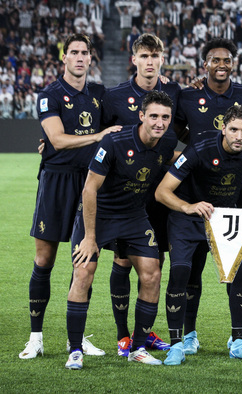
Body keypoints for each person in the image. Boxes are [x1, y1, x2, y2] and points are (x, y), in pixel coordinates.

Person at [155, 105, 242, 365]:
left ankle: (238, 341)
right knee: (183, 271)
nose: (238, 136)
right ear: (223, 129)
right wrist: (189, 207)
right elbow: (162, 191)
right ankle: (180, 342)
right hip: (188, 214)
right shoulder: (199, 149)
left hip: (227, 216)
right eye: (233, 129)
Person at [20, 33, 120, 360]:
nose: (79, 58)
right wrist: (98, 136)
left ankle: (74, 338)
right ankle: (36, 336)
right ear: (64, 58)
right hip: (55, 181)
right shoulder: (49, 95)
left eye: (84, 53)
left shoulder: (100, 94)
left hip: (89, 183)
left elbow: (129, 117)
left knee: (84, 265)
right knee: (44, 260)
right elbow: (58, 140)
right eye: (73, 52)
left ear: (91, 59)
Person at [65, 91, 178, 370]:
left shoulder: (167, 144)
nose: (159, 122)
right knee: (83, 272)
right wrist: (90, 238)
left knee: (152, 273)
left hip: (133, 217)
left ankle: (138, 346)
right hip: (99, 215)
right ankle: (75, 349)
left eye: (165, 117)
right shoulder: (114, 141)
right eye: (153, 116)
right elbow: (89, 189)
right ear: (141, 116)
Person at [172, 38, 242, 357]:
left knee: (239, 267)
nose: (221, 64)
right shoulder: (188, 95)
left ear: (234, 62)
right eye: (215, 59)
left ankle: (239, 339)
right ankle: (188, 336)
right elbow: (175, 134)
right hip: (195, 194)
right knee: (192, 268)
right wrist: (190, 157)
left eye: (227, 59)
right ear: (205, 64)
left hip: (232, 193)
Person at [102, 32, 181, 357]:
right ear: (134, 59)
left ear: (162, 59)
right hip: (127, 195)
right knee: (123, 260)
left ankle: (143, 334)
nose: (150, 62)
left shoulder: (176, 93)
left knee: (154, 263)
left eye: (155, 56)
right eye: (144, 56)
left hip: (161, 189)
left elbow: (188, 131)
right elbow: (99, 136)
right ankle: (123, 336)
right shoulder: (115, 96)